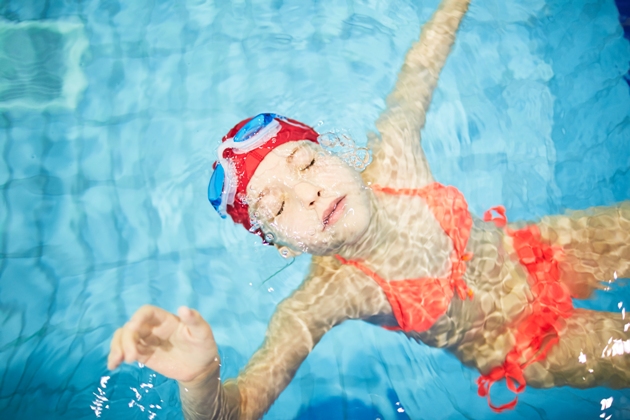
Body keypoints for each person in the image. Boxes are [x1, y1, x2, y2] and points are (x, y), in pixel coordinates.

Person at [107, 0, 630, 418]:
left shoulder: (396, 156)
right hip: (521, 339)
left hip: (536, 248)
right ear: (283, 244)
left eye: (306, 164)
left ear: (337, 152)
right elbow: (236, 410)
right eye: (278, 206)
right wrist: (202, 378)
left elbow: (423, 63)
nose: (308, 193)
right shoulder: (323, 300)